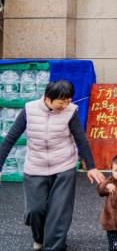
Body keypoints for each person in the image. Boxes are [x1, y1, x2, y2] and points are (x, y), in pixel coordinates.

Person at [0, 80, 105, 251]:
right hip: (35, 166)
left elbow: (81, 140)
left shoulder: (70, 111)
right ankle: (39, 237)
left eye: (68, 101)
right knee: (35, 210)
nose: (65, 105)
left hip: (63, 166)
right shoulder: (30, 110)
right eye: (61, 102)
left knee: (59, 212)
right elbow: (10, 139)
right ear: (47, 99)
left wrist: (91, 167)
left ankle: (54, 246)